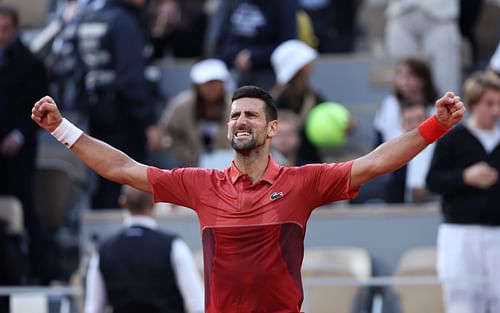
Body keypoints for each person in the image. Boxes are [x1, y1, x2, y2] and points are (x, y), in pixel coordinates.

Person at [32, 85, 464, 312]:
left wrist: (434, 126)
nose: (240, 120)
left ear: (272, 129)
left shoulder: (303, 182)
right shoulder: (199, 184)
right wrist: (61, 128)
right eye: (234, 114)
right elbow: (122, 169)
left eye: (251, 114)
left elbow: (375, 163)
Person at [426, 72, 500, 313]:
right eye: (489, 103)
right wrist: (465, 177)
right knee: (462, 302)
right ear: (474, 103)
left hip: (496, 231)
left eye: (499, 103)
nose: (495, 110)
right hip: (460, 232)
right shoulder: (453, 138)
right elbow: (433, 181)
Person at [76, 0, 158, 209]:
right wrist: (148, 120)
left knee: (103, 175)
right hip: (124, 114)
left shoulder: (89, 17)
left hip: (96, 108)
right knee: (127, 176)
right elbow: (130, 79)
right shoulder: (123, 22)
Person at [84, 185, 204, 313]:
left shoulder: (103, 250)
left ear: (122, 203)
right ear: (154, 203)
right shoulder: (174, 246)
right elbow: (197, 304)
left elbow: (93, 308)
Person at [0, 4, 51, 283]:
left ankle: (38, 274)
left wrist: (18, 135)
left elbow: (39, 107)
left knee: (26, 208)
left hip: (19, 150)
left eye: (5, 29)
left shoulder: (31, 64)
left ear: (16, 29)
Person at [271, 39, 355, 163]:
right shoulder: (278, 98)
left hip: (309, 160)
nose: (311, 65)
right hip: (284, 162)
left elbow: (327, 112)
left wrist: (346, 125)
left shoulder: (310, 94)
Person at [148, 59, 232, 167]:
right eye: (207, 83)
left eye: (216, 82)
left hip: (229, 166)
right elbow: (167, 132)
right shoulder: (181, 105)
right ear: (196, 85)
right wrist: (187, 154)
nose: (212, 87)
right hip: (192, 168)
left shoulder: (236, 106)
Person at [385, 0, 461, 95]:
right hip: (400, 13)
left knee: (445, 81)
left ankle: (447, 108)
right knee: (403, 79)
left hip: (441, 15)